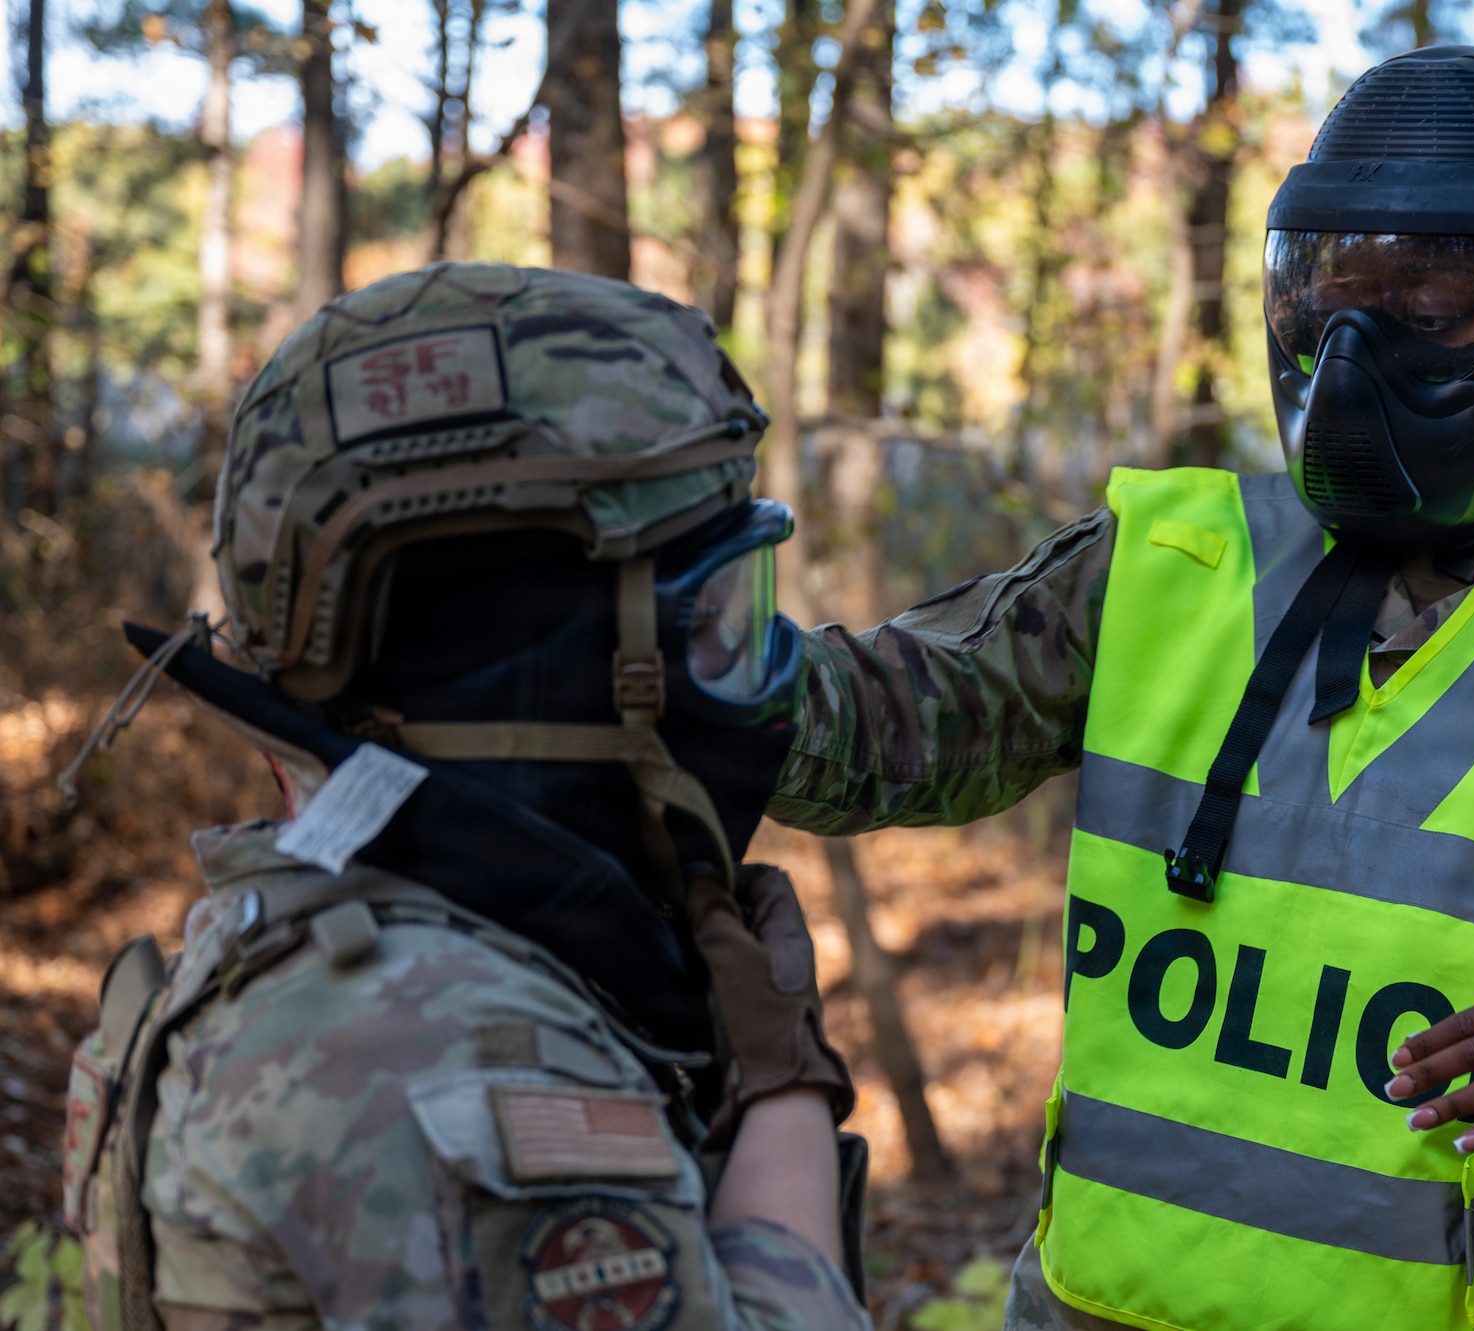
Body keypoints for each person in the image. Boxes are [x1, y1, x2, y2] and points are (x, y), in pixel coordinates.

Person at [768, 46, 1474, 1331]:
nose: (1361, 346)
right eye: (1335, 296)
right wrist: (661, 623)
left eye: (1432, 301)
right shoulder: (1165, 564)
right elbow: (866, 728)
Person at [58, 264, 869, 1331]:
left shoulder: (328, 934)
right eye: (712, 616)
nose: (743, 669)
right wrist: (784, 1086)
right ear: (553, 654)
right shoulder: (455, 1063)